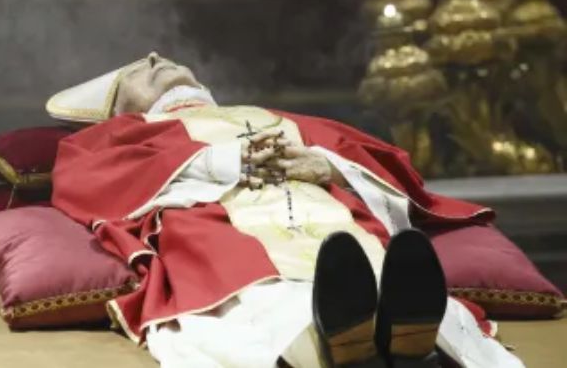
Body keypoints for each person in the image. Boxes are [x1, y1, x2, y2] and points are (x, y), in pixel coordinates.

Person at [47, 53, 522, 368]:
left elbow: (390, 166)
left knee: (373, 271)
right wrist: (225, 162)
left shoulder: (279, 117)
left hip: (325, 218)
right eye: (136, 72)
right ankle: (360, 347)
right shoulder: (126, 135)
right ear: (120, 111)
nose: (154, 58)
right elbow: (85, 181)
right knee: (274, 301)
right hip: (222, 223)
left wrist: (328, 166)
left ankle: (398, 336)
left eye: (163, 59)